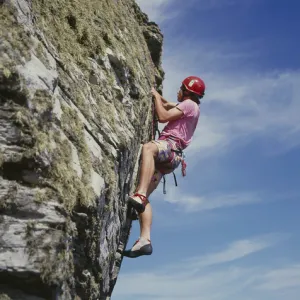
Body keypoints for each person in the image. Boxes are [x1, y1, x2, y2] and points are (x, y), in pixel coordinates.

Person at [123, 76, 205, 258]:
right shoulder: (192, 107)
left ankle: (140, 193)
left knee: (148, 148)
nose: (178, 90)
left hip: (168, 147)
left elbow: (163, 116)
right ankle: (145, 240)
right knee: (143, 201)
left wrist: (155, 97)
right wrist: (159, 97)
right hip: (171, 159)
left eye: (181, 88)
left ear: (186, 91)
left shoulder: (189, 104)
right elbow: (170, 106)